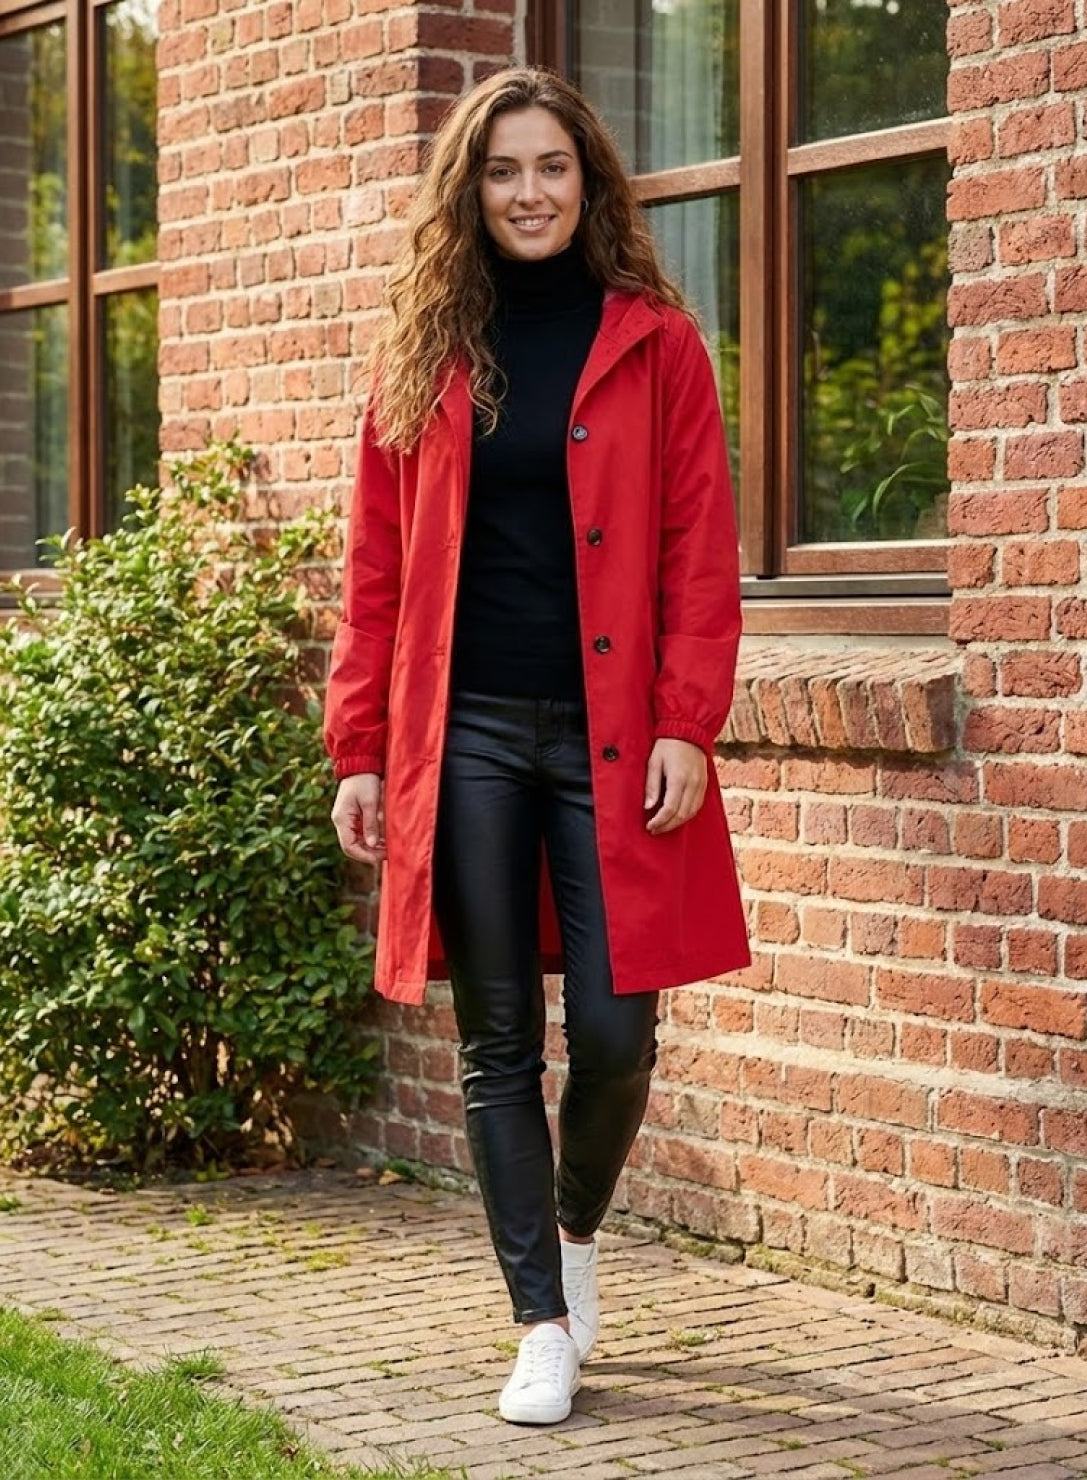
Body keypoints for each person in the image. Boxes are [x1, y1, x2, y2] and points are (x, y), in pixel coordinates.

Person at [323, 64, 749, 1428]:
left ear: (588, 182)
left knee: (618, 1032)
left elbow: (700, 551)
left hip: (617, 741)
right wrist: (358, 749)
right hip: (468, 743)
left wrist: (689, 718)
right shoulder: (424, 353)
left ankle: (572, 1232)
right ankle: (541, 1322)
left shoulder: (657, 344)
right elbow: (374, 570)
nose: (527, 192)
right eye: (501, 171)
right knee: (498, 1043)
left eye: (550, 168)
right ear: (470, 189)